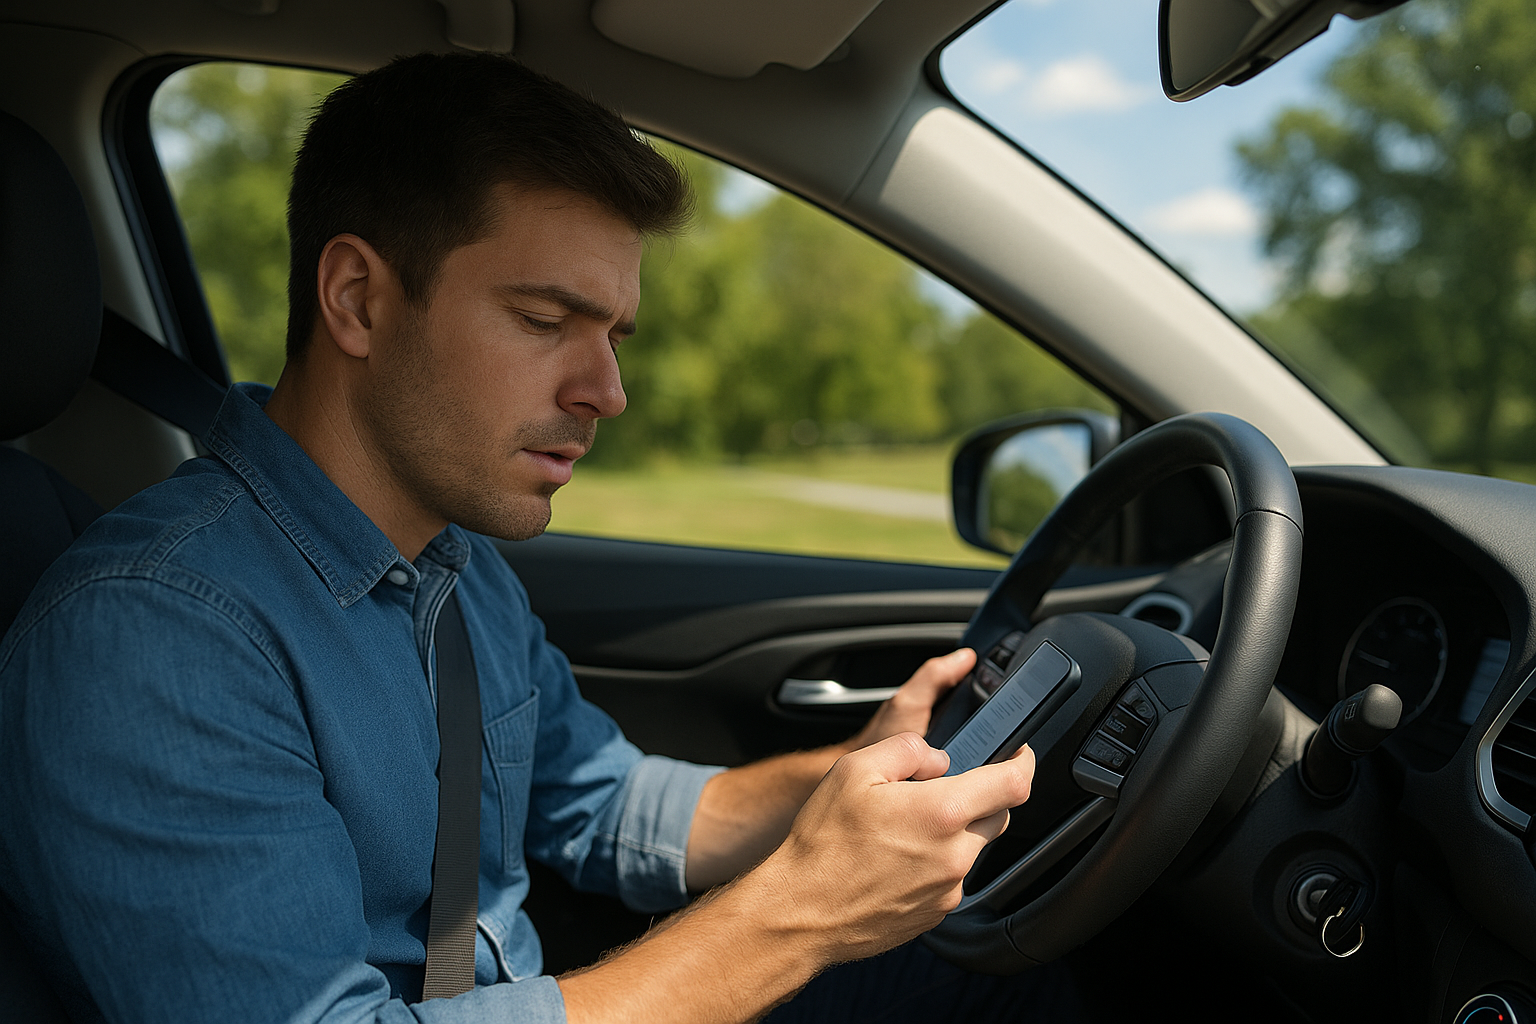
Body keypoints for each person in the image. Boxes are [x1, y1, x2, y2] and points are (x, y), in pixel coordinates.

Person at [0, 52, 1071, 1023]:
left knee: (1013, 970)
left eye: (614, 336)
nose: (607, 390)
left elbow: (603, 802)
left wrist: (849, 772)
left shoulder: (456, 567)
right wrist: (800, 913)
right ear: (358, 300)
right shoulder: (155, 638)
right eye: (545, 321)